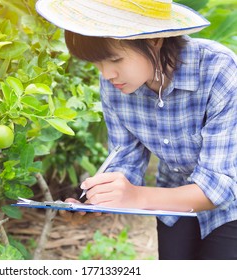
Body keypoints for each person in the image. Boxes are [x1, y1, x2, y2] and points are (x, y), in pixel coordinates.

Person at [36, 0, 237, 260]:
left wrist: (135, 197)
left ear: (154, 40)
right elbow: (124, 160)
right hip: (171, 199)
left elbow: (219, 186)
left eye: (114, 59)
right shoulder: (115, 83)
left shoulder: (219, 70)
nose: (107, 74)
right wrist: (98, 200)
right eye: (97, 64)